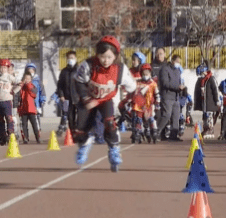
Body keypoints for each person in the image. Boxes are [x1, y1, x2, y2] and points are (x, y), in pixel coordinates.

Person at [72, 36, 136, 172]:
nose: (105, 61)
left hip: (106, 100)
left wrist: (126, 97)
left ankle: (114, 149)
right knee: (81, 129)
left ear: (115, 57)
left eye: (109, 57)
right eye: (102, 57)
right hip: (89, 100)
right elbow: (78, 82)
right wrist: (85, 97)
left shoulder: (121, 70)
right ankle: (84, 144)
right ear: (97, 55)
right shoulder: (88, 65)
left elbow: (132, 86)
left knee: (110, 123)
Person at [0, 59, 22, 145]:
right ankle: (2, 136)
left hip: (7, 100)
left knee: (9, 117)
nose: (2, 69)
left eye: (4, 68)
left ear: (7, 68)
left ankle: (11, 134)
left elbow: (20, 84)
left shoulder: (9, 77)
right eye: (1, 67)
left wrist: (14, 91)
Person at [156, 55, 185, 141]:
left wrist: (182, 89)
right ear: (172, 61)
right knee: (166, 115)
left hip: (176, 96)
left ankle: (174, 135)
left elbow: (180, 81)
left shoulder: (178, 71)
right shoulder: (165, 69)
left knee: (176, 116)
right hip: (167, 96)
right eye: (177, 62)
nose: (178, 64)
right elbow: (165, 83)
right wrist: (177, 87)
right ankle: (157, 132)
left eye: (179, 62)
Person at [130, 63, 160, 144]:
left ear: (150, 73)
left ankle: (154, 132)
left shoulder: (153, 83)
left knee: (151, 120)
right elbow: (134, 94)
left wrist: (157, 104)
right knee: (138, 120)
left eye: (147, 73)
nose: (145, 75)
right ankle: (137, 133)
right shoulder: (138, 83)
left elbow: (157, 94)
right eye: (143, 73)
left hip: (149, 105)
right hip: (139, 106)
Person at [193, 61, 220, 138]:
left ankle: (210, 129)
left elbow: (215, 90)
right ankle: (205, 129)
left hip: (210, 102)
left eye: (201, 74)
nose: (200, 76)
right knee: (204, 116)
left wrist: (217, 101)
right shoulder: (200, 81)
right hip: (203, 102)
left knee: (209, 116)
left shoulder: (211, 79)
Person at [56, 50, 78, 135]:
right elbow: (60, 85)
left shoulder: (79, 70)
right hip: (66, 99)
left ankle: (79, 133)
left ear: (75, 58)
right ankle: (70, 132)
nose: (70, 60)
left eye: (72, 58)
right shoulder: (64, 71)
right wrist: (61, 95)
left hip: (77, 98)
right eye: (69, 58)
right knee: (68, 115)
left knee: (79, 117)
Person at [18, 71, 41, 144]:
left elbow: (34, 94)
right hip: (23, 109)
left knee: (34, 124)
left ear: (31, 79)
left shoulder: (32, 86)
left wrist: (28, 85)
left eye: (28, 78)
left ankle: (37, 138)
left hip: (31, 108)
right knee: (24, 125)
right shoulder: (21, 87)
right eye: (26, 78)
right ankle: (25, 138)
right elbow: (18, 95)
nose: (27, 80)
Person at [25, 63, 46, 135]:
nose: (30, 71)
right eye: (29, 70)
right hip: (26, 104)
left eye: (32, 70)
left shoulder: (38, 81)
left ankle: (38, 133)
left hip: (35, 104)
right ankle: (25, 135)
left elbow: (42, 91)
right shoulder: (24, 81)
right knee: (25, 120)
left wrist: (42, 100)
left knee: (36, 119)